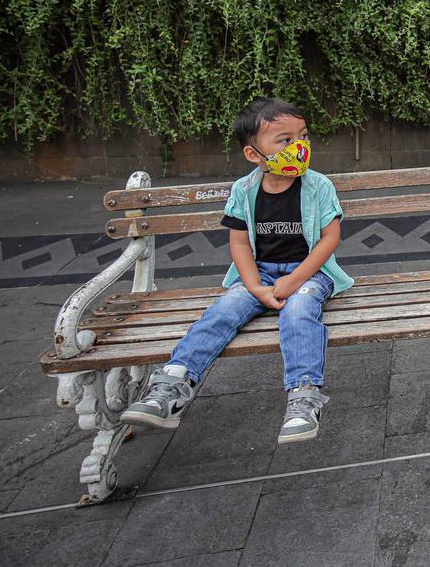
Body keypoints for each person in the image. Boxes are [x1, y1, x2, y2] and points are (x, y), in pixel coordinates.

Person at [122, 97, 350, 444]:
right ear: (253, 154)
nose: (299, 147)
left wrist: (295, 279)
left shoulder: (318, 186)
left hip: (308, 275)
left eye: (302, 136)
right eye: (285, 141)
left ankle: (304, 396)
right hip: (258, 275)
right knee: (224, 310)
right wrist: (255, 286)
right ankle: (172, 385)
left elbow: (329, 239)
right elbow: (240, 244)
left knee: (300, 310)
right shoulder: (244, 191)